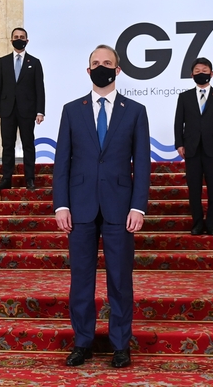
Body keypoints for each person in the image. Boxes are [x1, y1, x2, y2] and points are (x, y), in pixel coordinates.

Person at [53, 44, 150, 369]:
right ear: (88, 70)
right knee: (81, 279)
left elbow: (143, 164)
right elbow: (61, 162)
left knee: (120, 280)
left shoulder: (135, 111)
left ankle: (120, 344)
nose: (102, 67)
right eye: (96, 63)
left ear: (118, 69)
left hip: (120, 209)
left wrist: (138, 207)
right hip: (79, 208)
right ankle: (83, 342)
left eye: (107, 63)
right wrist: (60, 205)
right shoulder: (71, 110)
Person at [174, 57, 213, 236]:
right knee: (194, 189)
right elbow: (178, 122)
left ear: (212, 73)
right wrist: (179, 144)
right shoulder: (184, 97)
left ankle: (212, 224)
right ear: (192, 75)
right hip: (191, 149)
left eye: (205, 70)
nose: (201, 73)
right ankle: (198, 223)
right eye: (197, 71)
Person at [0, 27, 45, 191]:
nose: (19, 39)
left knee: (28, 144)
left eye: (22, 37)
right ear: (11, 40)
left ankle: (30, 179)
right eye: (16, 37)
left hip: (27, 110)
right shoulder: (3, 61)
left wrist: (40, 111)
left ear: (27, 41)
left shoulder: (34, 62)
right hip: (7, 110)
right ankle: (6, 178)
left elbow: (39, 89)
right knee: (7, 145)